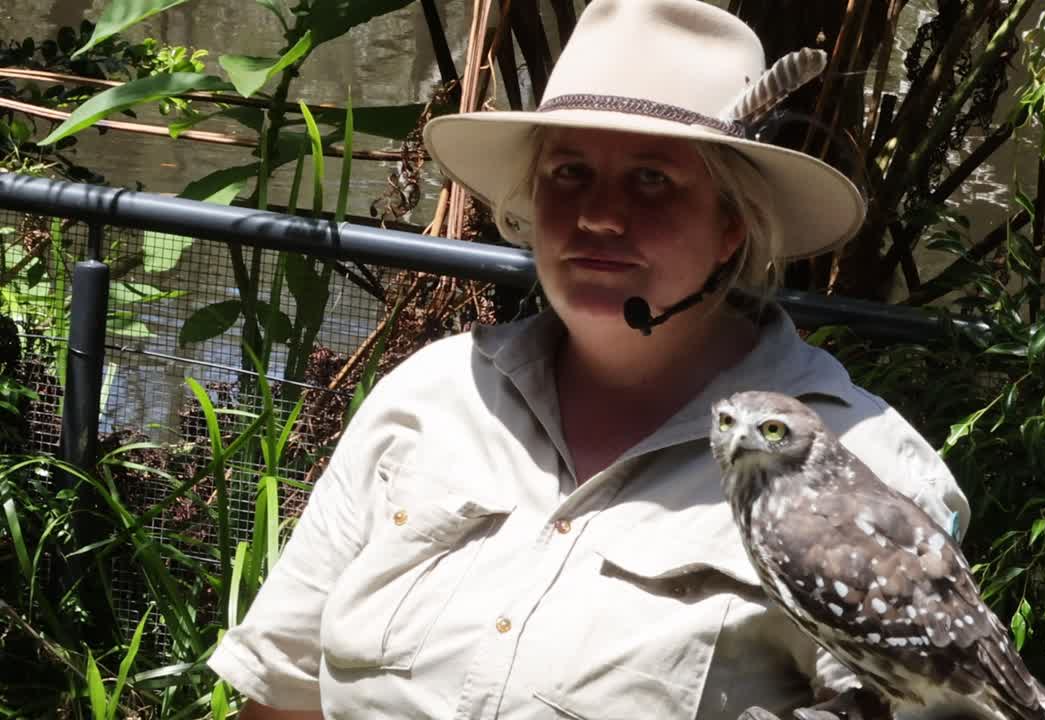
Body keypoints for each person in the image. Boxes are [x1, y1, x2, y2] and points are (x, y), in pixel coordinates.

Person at [206, 1, 971, 718]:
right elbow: (283, 693)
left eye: (652, 179)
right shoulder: (433, 397)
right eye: (570, 173)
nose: (600, 215)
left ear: (731, 225)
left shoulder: (865, 472)